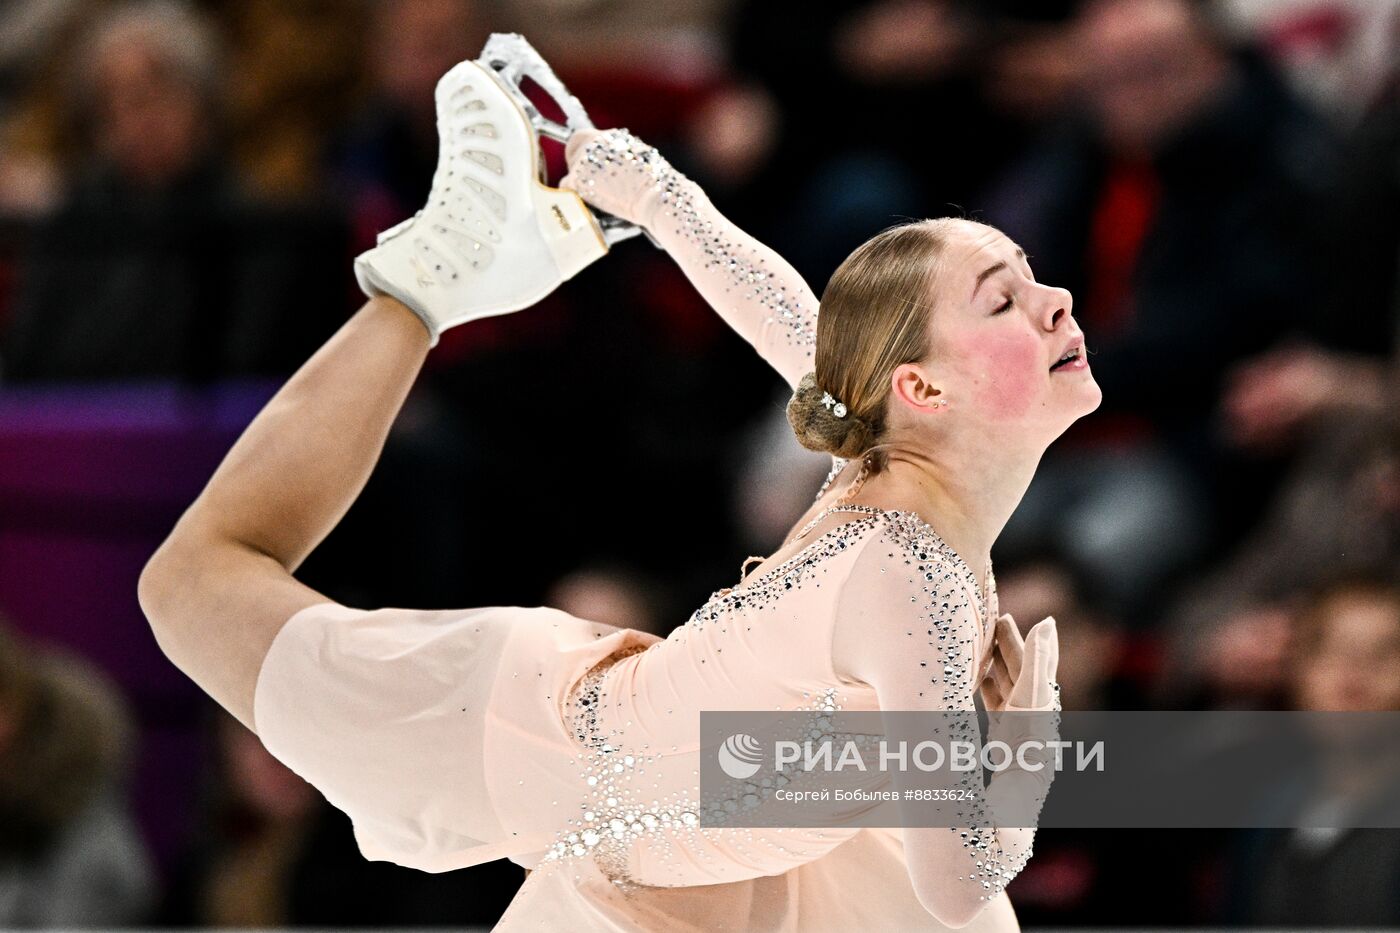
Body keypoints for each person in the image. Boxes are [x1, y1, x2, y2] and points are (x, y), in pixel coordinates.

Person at [138, 53, 1080, 930]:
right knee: (190, 586)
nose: (1058, 301)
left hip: (728, 843)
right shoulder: (909, 559)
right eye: (1006, 296)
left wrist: (661, 198)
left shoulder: (880, 453)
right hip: (564, 752)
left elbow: (784, 314)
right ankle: (426, 288)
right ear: (919, 389)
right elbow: (958, 880)